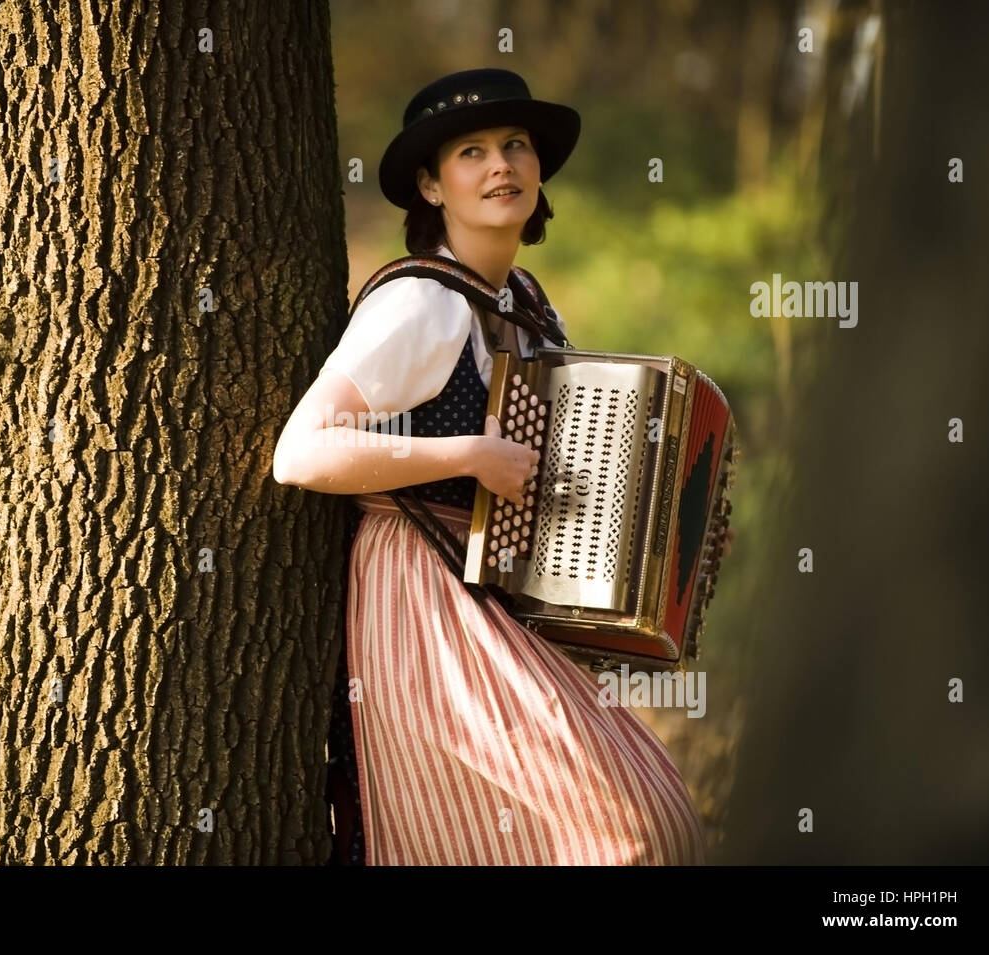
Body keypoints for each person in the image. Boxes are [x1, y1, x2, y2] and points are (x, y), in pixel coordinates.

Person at [273, 68, 707, 865]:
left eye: (515, 146)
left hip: (499, 592)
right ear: (432, 188)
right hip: (422, 595)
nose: (500, 164)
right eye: (470, 152)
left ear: (539, 172)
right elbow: (300, 452)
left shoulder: (526, 300)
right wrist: (470, 454)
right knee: (628, 834)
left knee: (654, 820)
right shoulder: (421, 305)